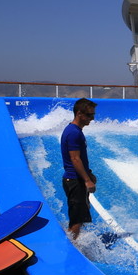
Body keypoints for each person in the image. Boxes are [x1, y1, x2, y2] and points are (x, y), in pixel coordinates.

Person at [61, 98, 97, 239]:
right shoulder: (74, 133)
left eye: (93, 115)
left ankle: (73, 241)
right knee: (77, 219)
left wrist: (88, 174)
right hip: (74, 181)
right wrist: (87, 181)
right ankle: (72, 248)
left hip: (76, 179)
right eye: (89, 115)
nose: (92, 119)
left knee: (81, 214)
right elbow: (75, 159)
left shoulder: (75, 130)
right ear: (79, 114)